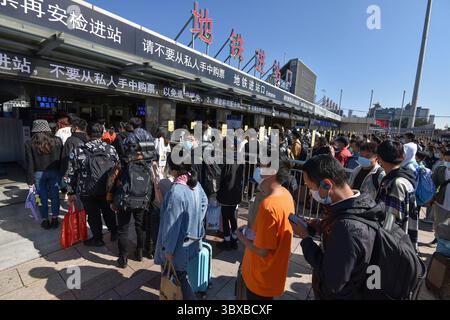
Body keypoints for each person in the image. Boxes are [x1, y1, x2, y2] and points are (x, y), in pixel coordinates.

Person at [291, 155, 384, 299]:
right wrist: (321, 226)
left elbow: (332, 281)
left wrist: (305, 239)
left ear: (327, 184)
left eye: (310, 187)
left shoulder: (347, 228)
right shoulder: (362, 203)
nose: (310, 193)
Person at [154, 154, 208, 300]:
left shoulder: (176, 191)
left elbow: (171, 226)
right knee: (182, 275)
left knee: (179, 278)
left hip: (178, 245)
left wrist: (168, 250)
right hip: (192, 240)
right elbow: (204, 202)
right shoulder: (194, 183)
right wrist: (195, 221)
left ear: (173, 169)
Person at [237, 163, 294, 300]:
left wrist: (241, 237)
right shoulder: (286, 195)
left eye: (261, 167)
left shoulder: (268, 206)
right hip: (272, 275)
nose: (257, 171)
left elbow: (263, 251)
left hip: (260, 278)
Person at [66, 123, 119, 247]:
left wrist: (71, 191)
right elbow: (117, 168)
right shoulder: (110, 149)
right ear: (102, 134)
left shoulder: (79, 150)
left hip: (87, 189)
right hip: (107, 188)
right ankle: (114, 232)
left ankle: (98, 239)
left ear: (87, 134)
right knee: (108, 211)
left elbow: (71, 172)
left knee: (93, 214)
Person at [107, 142, 153, 268]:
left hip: (124, 201)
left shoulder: (121, 164)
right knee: (140, 226)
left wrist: (111, 199)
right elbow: (151, 184)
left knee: (123, 229)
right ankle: (139, 252)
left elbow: (110, 182)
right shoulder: (146, 164)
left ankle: (123, 259)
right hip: (142, 200)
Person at [376, 140, 418, 249]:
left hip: (394, 243)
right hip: (405, 239)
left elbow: (391, 221)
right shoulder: (406, 175)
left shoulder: (395, 183)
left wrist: (381, 244)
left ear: (379, 158)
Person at [25, 120, 63, 229]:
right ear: (47, 128)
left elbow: (30, 163)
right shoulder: (57, 141)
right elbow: (60, 160)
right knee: (55, 196)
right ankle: (55, 219)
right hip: (54, 172)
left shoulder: (29, 143)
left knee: (42, 198)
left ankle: (45, 220)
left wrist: (29, 180)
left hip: (38, 174)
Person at [217, 139, 244, 250]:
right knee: (232, 217)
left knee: (225, 217)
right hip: (236, 193)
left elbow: (221, 177)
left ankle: (227, 240)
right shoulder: (240, 160)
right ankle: (234, 239)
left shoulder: (224, 160)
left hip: (225, 193)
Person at [430, 150, 450, 245]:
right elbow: (433, 183)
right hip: (441, 201)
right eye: (447, 160)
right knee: (438, 222)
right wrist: (431, 196)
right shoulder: (440, 169)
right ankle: (437, 238)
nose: (448, 162)